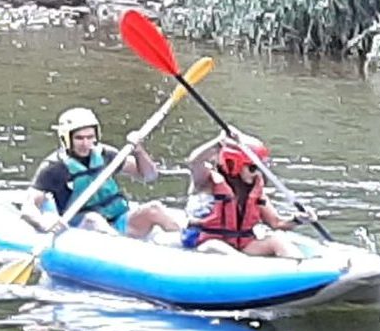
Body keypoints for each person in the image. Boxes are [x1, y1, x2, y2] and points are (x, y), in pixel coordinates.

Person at [21, 107, 184, 239]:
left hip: (119, 220)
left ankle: (186, 244)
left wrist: (139, 151)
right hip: (80, 227)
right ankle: (126, 254)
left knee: (154, 208)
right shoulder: (55, 167)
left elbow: (149, 176)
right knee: (94, 219)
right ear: (66, 138)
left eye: (90, 137)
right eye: (79, 138)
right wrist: (43, 224)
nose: (85, 143)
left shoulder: (106, 155)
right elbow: (29, 207)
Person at [182, 137, 310, 259]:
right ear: (233, 163)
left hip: (241, 246)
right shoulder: (207, 182)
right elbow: (195, 162)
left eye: (261, 169)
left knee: (277, 240)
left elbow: (276, 223)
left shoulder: (255, 191)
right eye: (253, 168)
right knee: (214, 246)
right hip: (203, 245)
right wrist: (219, 142)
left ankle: (301, 268)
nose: (258, 174)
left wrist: (298, 219)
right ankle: (248, 267)